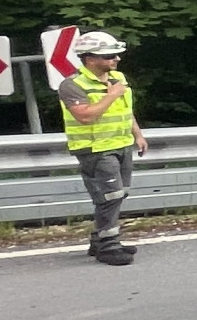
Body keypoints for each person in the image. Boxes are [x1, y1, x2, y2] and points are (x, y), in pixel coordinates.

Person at [58, 30, 148, 265]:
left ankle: (100, 240)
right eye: (109, 55)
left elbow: (125, 111)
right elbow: (85, 117)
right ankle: (108, 247)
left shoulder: (117, 78)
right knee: (109, 196)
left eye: (116, 55)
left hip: (121, 144)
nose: (116, 59)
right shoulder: (72, 85)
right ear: (90, 59)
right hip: (94, 149)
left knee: (120, 193)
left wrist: (137, 134)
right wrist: (111, 95)